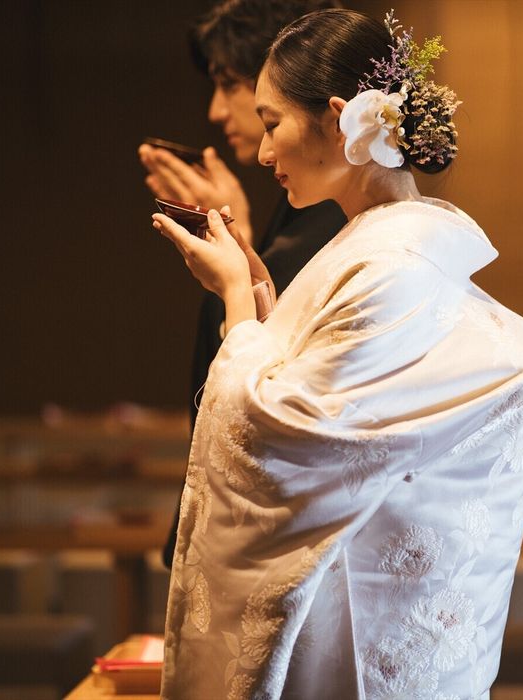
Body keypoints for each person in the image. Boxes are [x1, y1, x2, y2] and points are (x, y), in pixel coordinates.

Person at [152, 8, 523, 699]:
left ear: (340, 119)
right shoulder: (373, 247)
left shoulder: (391, 262)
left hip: (370, 643)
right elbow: (325, 396)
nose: (266, 153)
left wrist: (235, 298)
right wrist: (261, 299)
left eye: (273, 123)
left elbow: (281, 432)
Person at [138, 0, 347, 568]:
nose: (217, 109)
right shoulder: (310, 211)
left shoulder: (338, 227)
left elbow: (270, 406)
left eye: (230, 84)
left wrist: (238, 273)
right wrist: (244, 248)